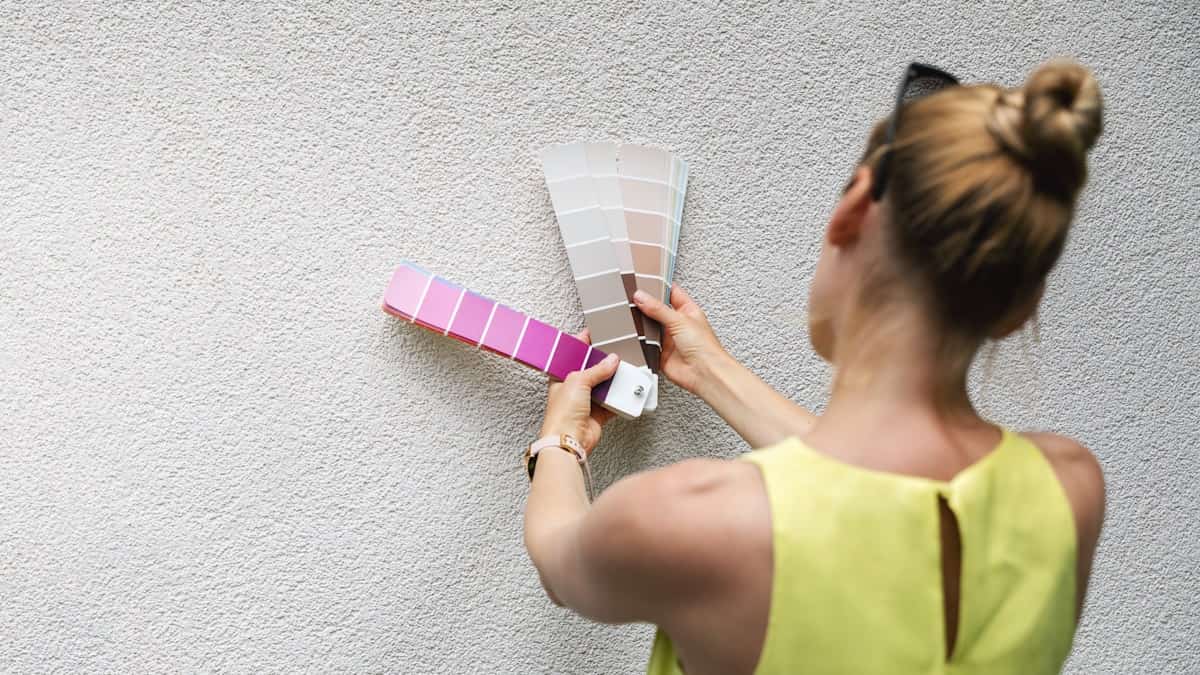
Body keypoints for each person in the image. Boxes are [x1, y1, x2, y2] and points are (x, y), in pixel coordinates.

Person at [522, 59, 1105, 675]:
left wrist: (562, 442)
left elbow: (560, 559)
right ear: (1022, 307)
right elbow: (881, 504)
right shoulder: (1067, 489)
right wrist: (714, 372)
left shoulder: (697, 517)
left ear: (853, 209)